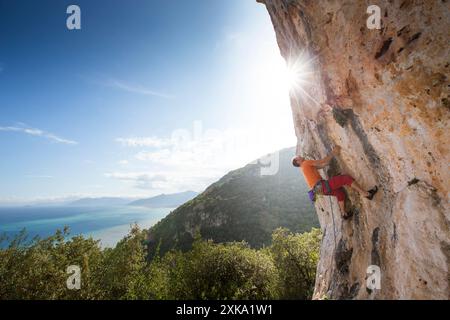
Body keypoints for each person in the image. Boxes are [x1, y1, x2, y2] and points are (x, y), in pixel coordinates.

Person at [292, 146, 378, 219]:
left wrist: (328, 161)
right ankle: (367, 194)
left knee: (340, 192)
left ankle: (344, 214)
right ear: (297, 161)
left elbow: (322, 165)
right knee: (345, 178)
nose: (299, 156)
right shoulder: (306, 163)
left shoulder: (304, 167)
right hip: (322, 186)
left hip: (319, 190)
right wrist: (333, 152)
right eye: (297, 157)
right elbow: (322, 161)